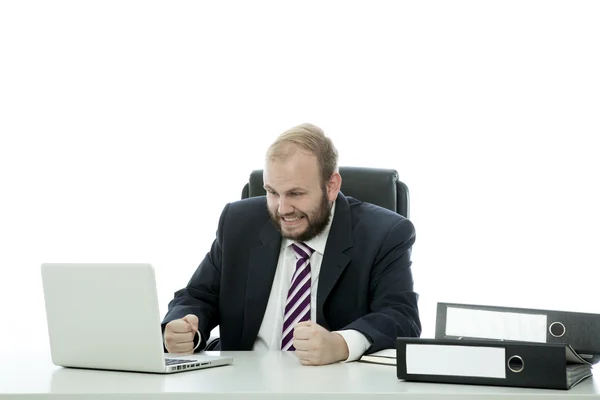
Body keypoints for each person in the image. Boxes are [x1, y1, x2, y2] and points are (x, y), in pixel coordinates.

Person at [161, 123, 421, 366]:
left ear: (331, 186)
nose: (282, 209)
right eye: (272, 192)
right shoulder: (238, 223)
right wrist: (182, 327)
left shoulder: (384, 234)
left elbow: (401, 317)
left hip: (331, 388)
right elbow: (196, 296)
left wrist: (341, 344)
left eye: (296, 193)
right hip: (243, 385)